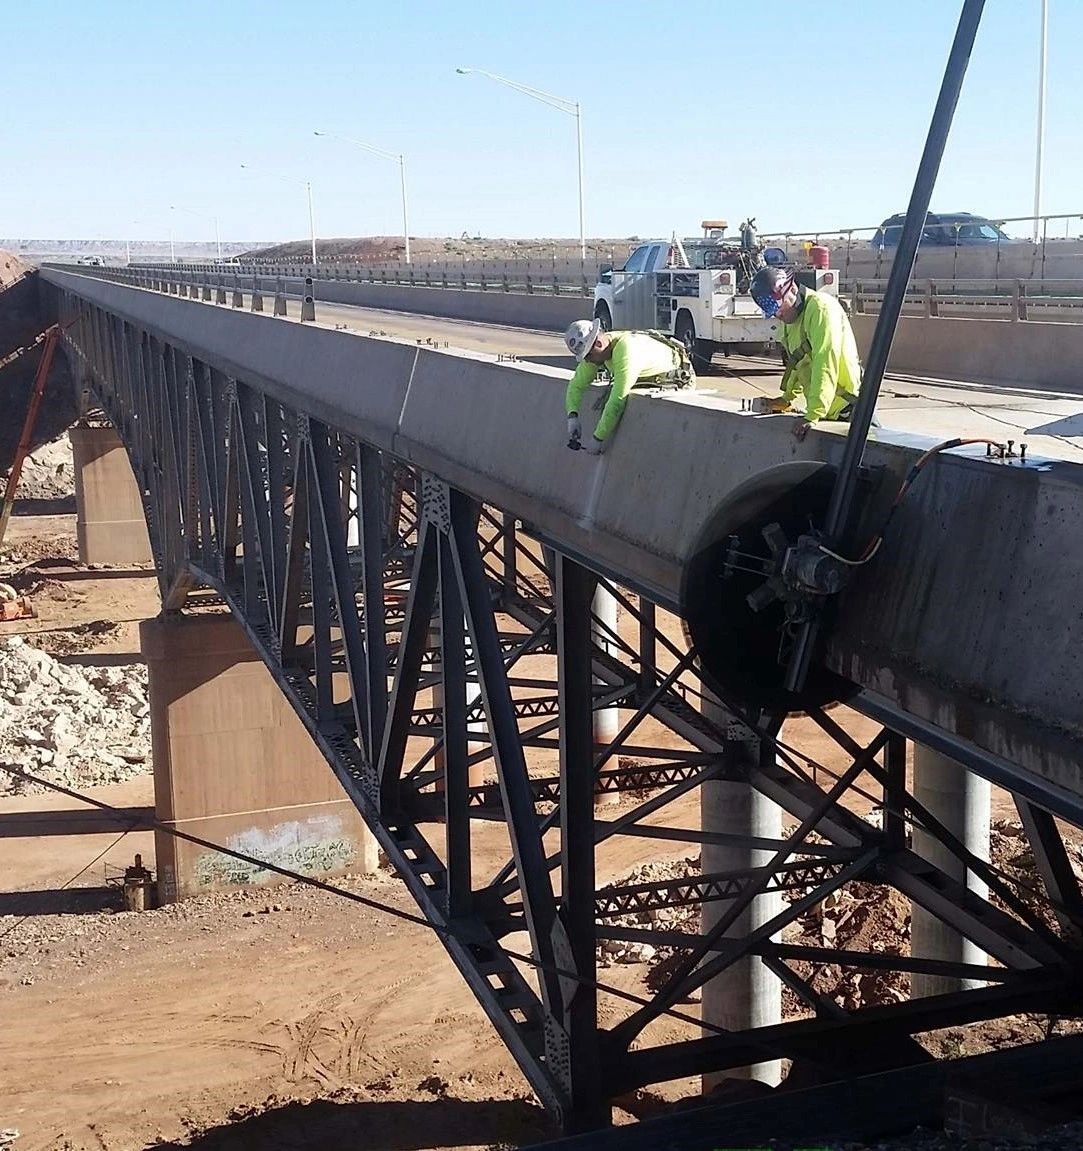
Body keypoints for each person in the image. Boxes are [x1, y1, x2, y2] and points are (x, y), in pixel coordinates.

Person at [749, 266, 863, 441]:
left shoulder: (821, 309)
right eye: (772, 311)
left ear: (792, 289)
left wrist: (813, 414)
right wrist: (787, 398)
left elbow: (825, 362)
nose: (777, 314)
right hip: (828, 414)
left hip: (849, 412)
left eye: (778, 307)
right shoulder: (790, 319)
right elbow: (797, 362)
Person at [563, 320, 695, 453]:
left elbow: (617, 400)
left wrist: (598, 438)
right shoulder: (598, 351)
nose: (587, 361)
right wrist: (572, 416)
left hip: (680, 377)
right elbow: (576, 385)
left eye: (588, 356)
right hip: (648, 377)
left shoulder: (625, 349)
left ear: (598, 343)